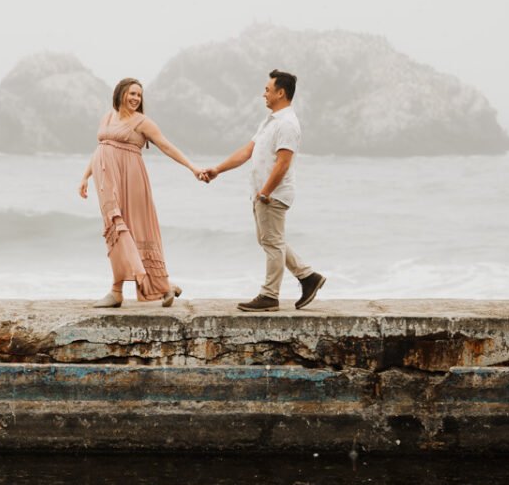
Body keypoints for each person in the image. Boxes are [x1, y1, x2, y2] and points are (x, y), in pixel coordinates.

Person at [198, 69, 325, 311]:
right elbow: (247, 152)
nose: (263, 94)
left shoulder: (287, 124)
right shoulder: (270, 122)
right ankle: (308, 277)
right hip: (263, 193)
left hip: (273, 194)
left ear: (281, 92)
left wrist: (266, 192)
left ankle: (269, 296)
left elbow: (283, 163)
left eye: (267, 90)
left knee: (272, 242)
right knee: (269, 240)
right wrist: (217, 170)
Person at [78, 78, 202, 307]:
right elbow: (100, 149)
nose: (136, 98)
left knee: (137, 230)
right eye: (132, 93)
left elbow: (166, 146)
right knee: (114, 229)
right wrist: (86, 176)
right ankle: (152, 287)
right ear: (120, 93)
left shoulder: (142, 122)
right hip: (107, 180)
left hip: (131, 180)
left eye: (139, 95)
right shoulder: (107, 117)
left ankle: (130, 289)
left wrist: (192, 167)